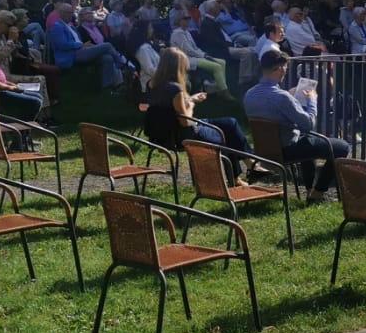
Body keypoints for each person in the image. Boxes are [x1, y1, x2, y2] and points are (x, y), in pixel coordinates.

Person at [244, 50, 352, 202]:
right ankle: (318, 192)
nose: (286, 71)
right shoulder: (282, 97)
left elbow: (271, 110)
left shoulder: (249, 94)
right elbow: (308, 124)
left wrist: (289, 95)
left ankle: (309, 189)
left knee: (305, 140)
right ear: (280, 68)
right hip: (287, 150)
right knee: (342, 147)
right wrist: (312, 101)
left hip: (264, 151)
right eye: (285, 68)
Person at [144, 47, 252, 181]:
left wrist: (191, 99)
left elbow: (169, 108)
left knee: (230, 122)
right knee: (223, 134)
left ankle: (251, 165)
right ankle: (235, 179)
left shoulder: (151, 85)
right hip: (183, 134)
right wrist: (192, 104)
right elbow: (185, 121)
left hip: (164, 134)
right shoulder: (175, 89)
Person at [49, 2, 125, 89]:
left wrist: (85, 45)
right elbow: (62, 45)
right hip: (71, 55)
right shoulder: (57, 27)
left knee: (107, 57)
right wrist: (80, 45)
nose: (71, 15)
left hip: (81, 50)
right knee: (107, 45)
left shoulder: (70, 26)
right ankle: (121, 63)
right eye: (69, 13)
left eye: (72, 13)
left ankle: (107, 87)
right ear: (61, 13)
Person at [165, 19, 231, 94]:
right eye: (184, 19)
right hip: (186, 59)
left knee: (222, 62)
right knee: (217, 67)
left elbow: (195, 48)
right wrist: (204, 55)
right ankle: (225, 92)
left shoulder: (186, 31)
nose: (187, 21)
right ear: (179, 21)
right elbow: (188, 50)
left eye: (187, 19)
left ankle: (219, 87)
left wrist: (203, 54)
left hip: (195, 56)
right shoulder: (177, 33)